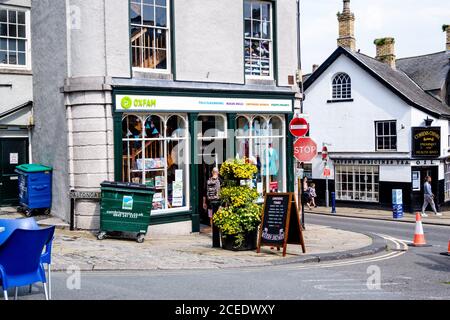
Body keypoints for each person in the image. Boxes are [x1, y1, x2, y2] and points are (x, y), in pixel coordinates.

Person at [203, 167, 222, 247]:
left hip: (210, 202)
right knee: (219, 218)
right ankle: (217, 233)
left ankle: (213, 231)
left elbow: (204, 192)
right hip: (218, 202)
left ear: (211, 172)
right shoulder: (220, 181)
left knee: (211, 217)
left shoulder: (208, 181)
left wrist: (204, 203)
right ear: (217, 172)